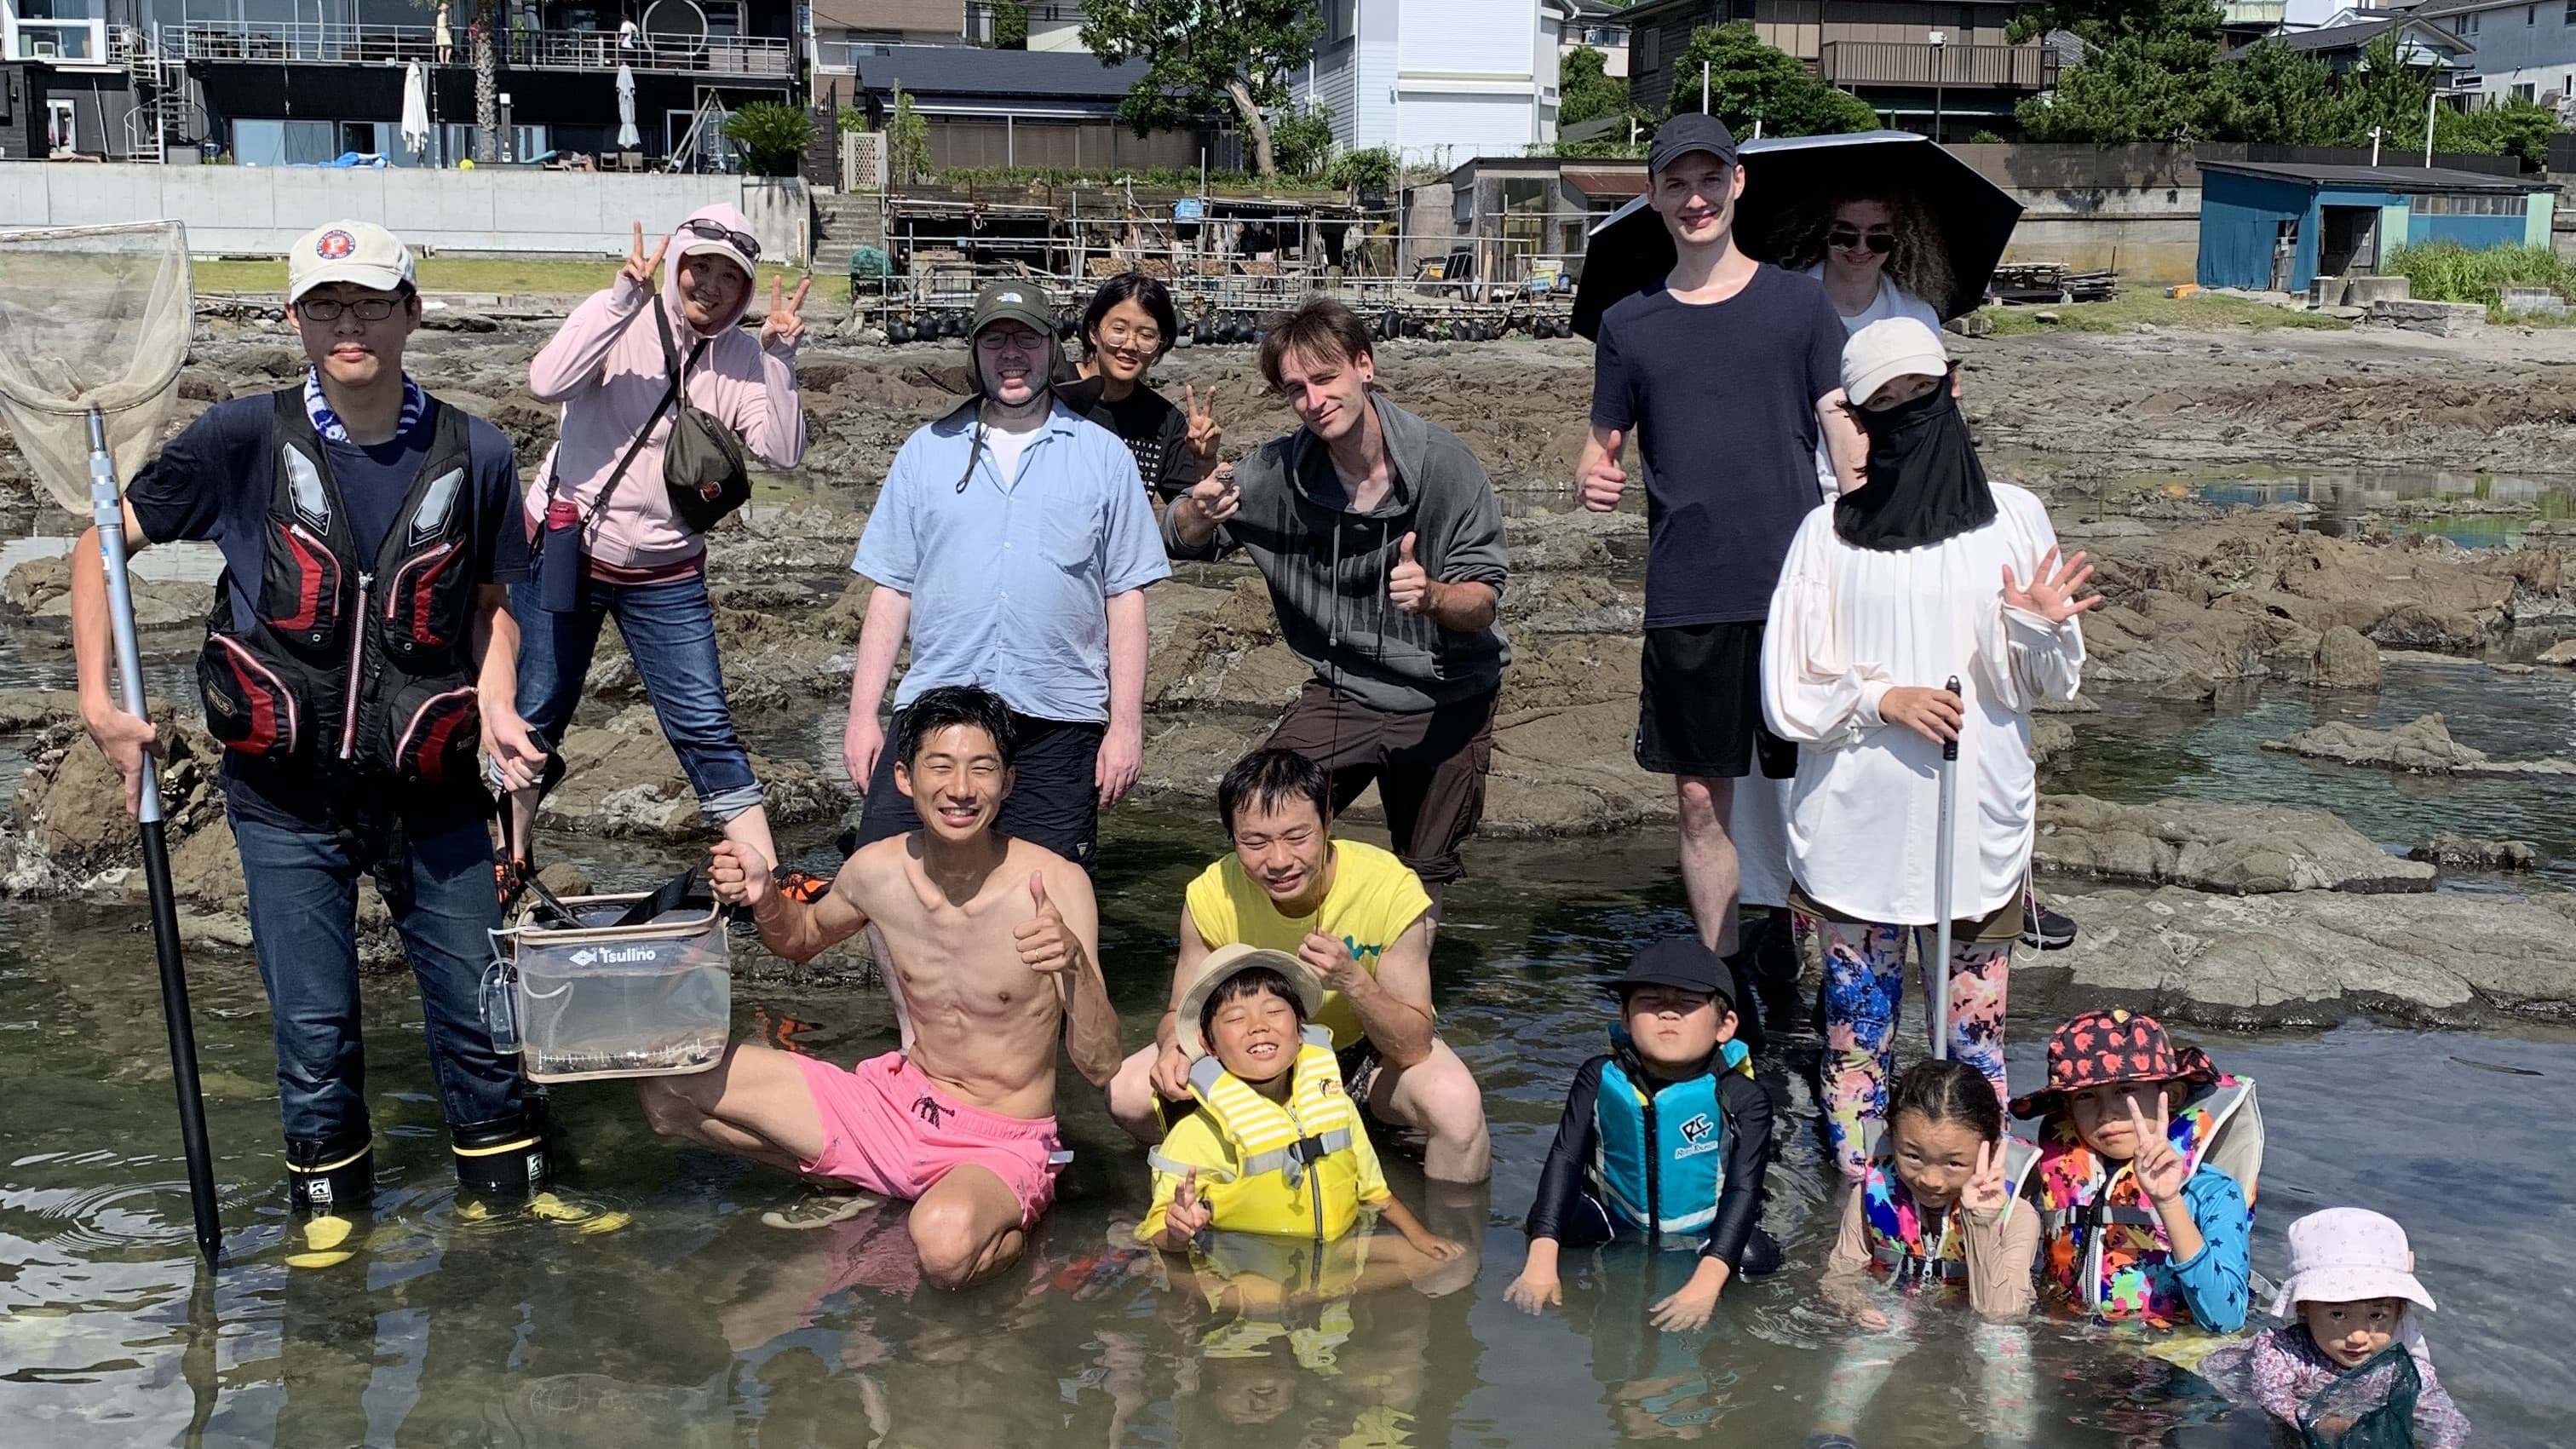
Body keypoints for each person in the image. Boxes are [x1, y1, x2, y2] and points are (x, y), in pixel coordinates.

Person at [68, 221, 561, 1254]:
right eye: (327, 304)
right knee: (316, 1031)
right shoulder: (243, 439)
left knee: (482, 1014)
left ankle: (508, 1213)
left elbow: (490, 600)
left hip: (431, 789)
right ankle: (330, 1225)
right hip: (283, 797)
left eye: (373, 302)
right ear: (294, 318)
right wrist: (99, 705)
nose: (351, 323)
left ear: (412, 312)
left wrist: (503, 699)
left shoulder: (477, 451)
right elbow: (100, 543)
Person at [641, 685, 1122, 1287]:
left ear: (1009, 780)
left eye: (981, 768)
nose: (961, 788)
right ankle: (856, 1176)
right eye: (940, 766)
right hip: (894, 1104)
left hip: (999, 1138)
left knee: (944, 1250)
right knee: (666, 1085)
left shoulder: (1056, 884)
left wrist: (1074, 965)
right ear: (903, 777)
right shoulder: (877, 869)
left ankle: (1010, 1229)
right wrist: (764, 893)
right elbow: (801, 937)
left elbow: (1102, 1066)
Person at [1762, 317, 2095, 1178]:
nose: (1909, 412)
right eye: (1886, 402)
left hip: (1976, 827)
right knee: (1855, 1046)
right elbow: (1787, 689)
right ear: (1862, 417)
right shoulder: (1826, 536)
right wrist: (1882, 699)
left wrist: (2037, 626)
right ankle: (1863, 1202)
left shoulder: (2015, 517)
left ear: (1953, 387)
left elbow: (2054, 683)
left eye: (1923, 391)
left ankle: (1978, 1200)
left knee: (1975, 1046)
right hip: (1855, 835)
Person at [1576, 112, 1866, 1009]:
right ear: (1654, 195)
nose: (1695, 198)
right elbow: (1599, 446)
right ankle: (1719, 975)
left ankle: (1834, 956)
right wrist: (1596, 472)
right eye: (1676, 183)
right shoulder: (1630, 325)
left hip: (1800, 590)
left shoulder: (1797, 304)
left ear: (1738, 184)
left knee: (1820, 785)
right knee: (1701, 800)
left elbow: (1842, 428)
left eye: (1710, 180)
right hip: (1687, 592)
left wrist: (1885, 518)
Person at [1166, 297, 1510, 913]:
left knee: (1420, 882)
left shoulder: (1446, 466)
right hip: (1341, 691)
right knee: (1264, 809)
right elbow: (1184, 536)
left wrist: (1431, 596)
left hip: (1447, 695)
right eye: (1296, 389)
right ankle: (1276, 981)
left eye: (1325, 378)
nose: (1314, 399)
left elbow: (1483, 601)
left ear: (1364, 366)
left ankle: (1403, 994)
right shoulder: (1276, 471)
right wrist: (1197, 505)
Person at [500, 211, 808, 897]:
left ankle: (768, 877)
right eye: (702, 267)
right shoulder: (623, 316)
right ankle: (509, 858)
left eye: (733, 278)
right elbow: (546, 382)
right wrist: (619, 300)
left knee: (704, 722)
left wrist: (781, 360)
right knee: (536, 706)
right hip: (567, 546)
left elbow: (783, 452)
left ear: (747, 290)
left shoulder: (743, 360)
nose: (713, 286)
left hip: (665, 568)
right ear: (677, 263)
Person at [843, 280, 1168, 873]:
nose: (1012, 354)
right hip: (934, 713)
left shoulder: (1104, 455)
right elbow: (892, 588)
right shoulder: (925, 451)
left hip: (1059, 722)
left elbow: (1126, 597)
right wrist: (863, 715)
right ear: (973, 353)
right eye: (995, 340)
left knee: (1050, 899)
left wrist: (1126, 727)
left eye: (1026, 338)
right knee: (882, 878)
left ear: (1054, 349)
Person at [1107, 748, 1489, 1184]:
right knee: (1128, 1094)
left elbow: (1414, 1045)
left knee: (1456, 1107)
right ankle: (1219, 1188)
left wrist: (1353, 981)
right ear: (1232, 838)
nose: (1280, 860)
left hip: (1367, 1052)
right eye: (1255, 842)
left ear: (1328, 821)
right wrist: (1176, 1047)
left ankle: (1451, 1240)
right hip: (1252, 1052)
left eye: (1297, 836)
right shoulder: (1212, 892)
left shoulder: (1389, 885)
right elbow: (1179, 1013)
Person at [1504, 937, 1780, 1334]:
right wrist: (1541, 1260)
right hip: (1621, 1216)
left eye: (1687, 1004)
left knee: (1758, 1259)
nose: (1667, 1013)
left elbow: (1744, 1190)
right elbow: (1565, 1159)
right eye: (1650, 1001)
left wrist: (1705, 1285)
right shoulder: (1597, 1076)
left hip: (1706, 1227)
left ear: (1725, 1026)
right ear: (1626, 1017)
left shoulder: (1743, 1097)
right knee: (1542, 1223)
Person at [1139, 944, 1462, 1281]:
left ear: (1301, 1028)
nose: (1258, 1026)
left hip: (1339, 1245)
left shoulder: (1336, 1105)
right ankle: (1327, 1288)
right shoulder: (1195, 1134)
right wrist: (1177, 1230)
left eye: (1274, 1011)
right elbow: (1156, 1233)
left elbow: (1375, 1191)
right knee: (1261, 1297)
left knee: (1446, 1258)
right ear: (1208, 1044)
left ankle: (1321, 1288)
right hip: (1247, 1264)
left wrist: (1420, 1235)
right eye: (1235, 1018)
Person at [1810, 1059, 2041, 1449]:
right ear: (1891, 1137)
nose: (1931, 1180)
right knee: (1886, 1324)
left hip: (1979, 1316)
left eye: (1955, 1163)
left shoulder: (2017, 1214)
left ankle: (2008, 1439)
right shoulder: (1868, 1196)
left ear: (1992, 1151)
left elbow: (2003, 1313)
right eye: (1912, 1156)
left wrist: (1982, 1223)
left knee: (2004, 1343)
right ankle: (1834, 1430)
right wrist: (1855, 1306)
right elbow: (1839, 1275)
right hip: (1896, 1307)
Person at [2013, 1009, 2259, 1332]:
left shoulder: (2213, 1192)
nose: (2107, 1113)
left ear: (2170, 1096)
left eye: (2126, 1090)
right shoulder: (2050, 1177)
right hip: (2074, 1345)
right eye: (2086, 1096)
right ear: (2068, 1109)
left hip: (2167, 1359)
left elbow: (2225, 1320)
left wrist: (2169, 1202)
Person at [2197, 1208, 2470, 1449]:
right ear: (2303, 1307)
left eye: (2377, 1314)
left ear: (2399, 1312)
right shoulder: (2282, 1352)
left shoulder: (2406, 1370)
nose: (2358, 1336)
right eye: (2338, 1314)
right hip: (2255, 1400)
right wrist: (2325, 1423)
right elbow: (2271, 1397)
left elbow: (2447, 1418)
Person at [1054, 272, 1222, 504]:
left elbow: (1192, 521)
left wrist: (1204, 462)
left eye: (1146, 335)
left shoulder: (1164, 422)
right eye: (1119, 330)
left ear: (1160, 346)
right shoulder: (1052, 390)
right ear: (1093, 332)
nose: (1131, 345)